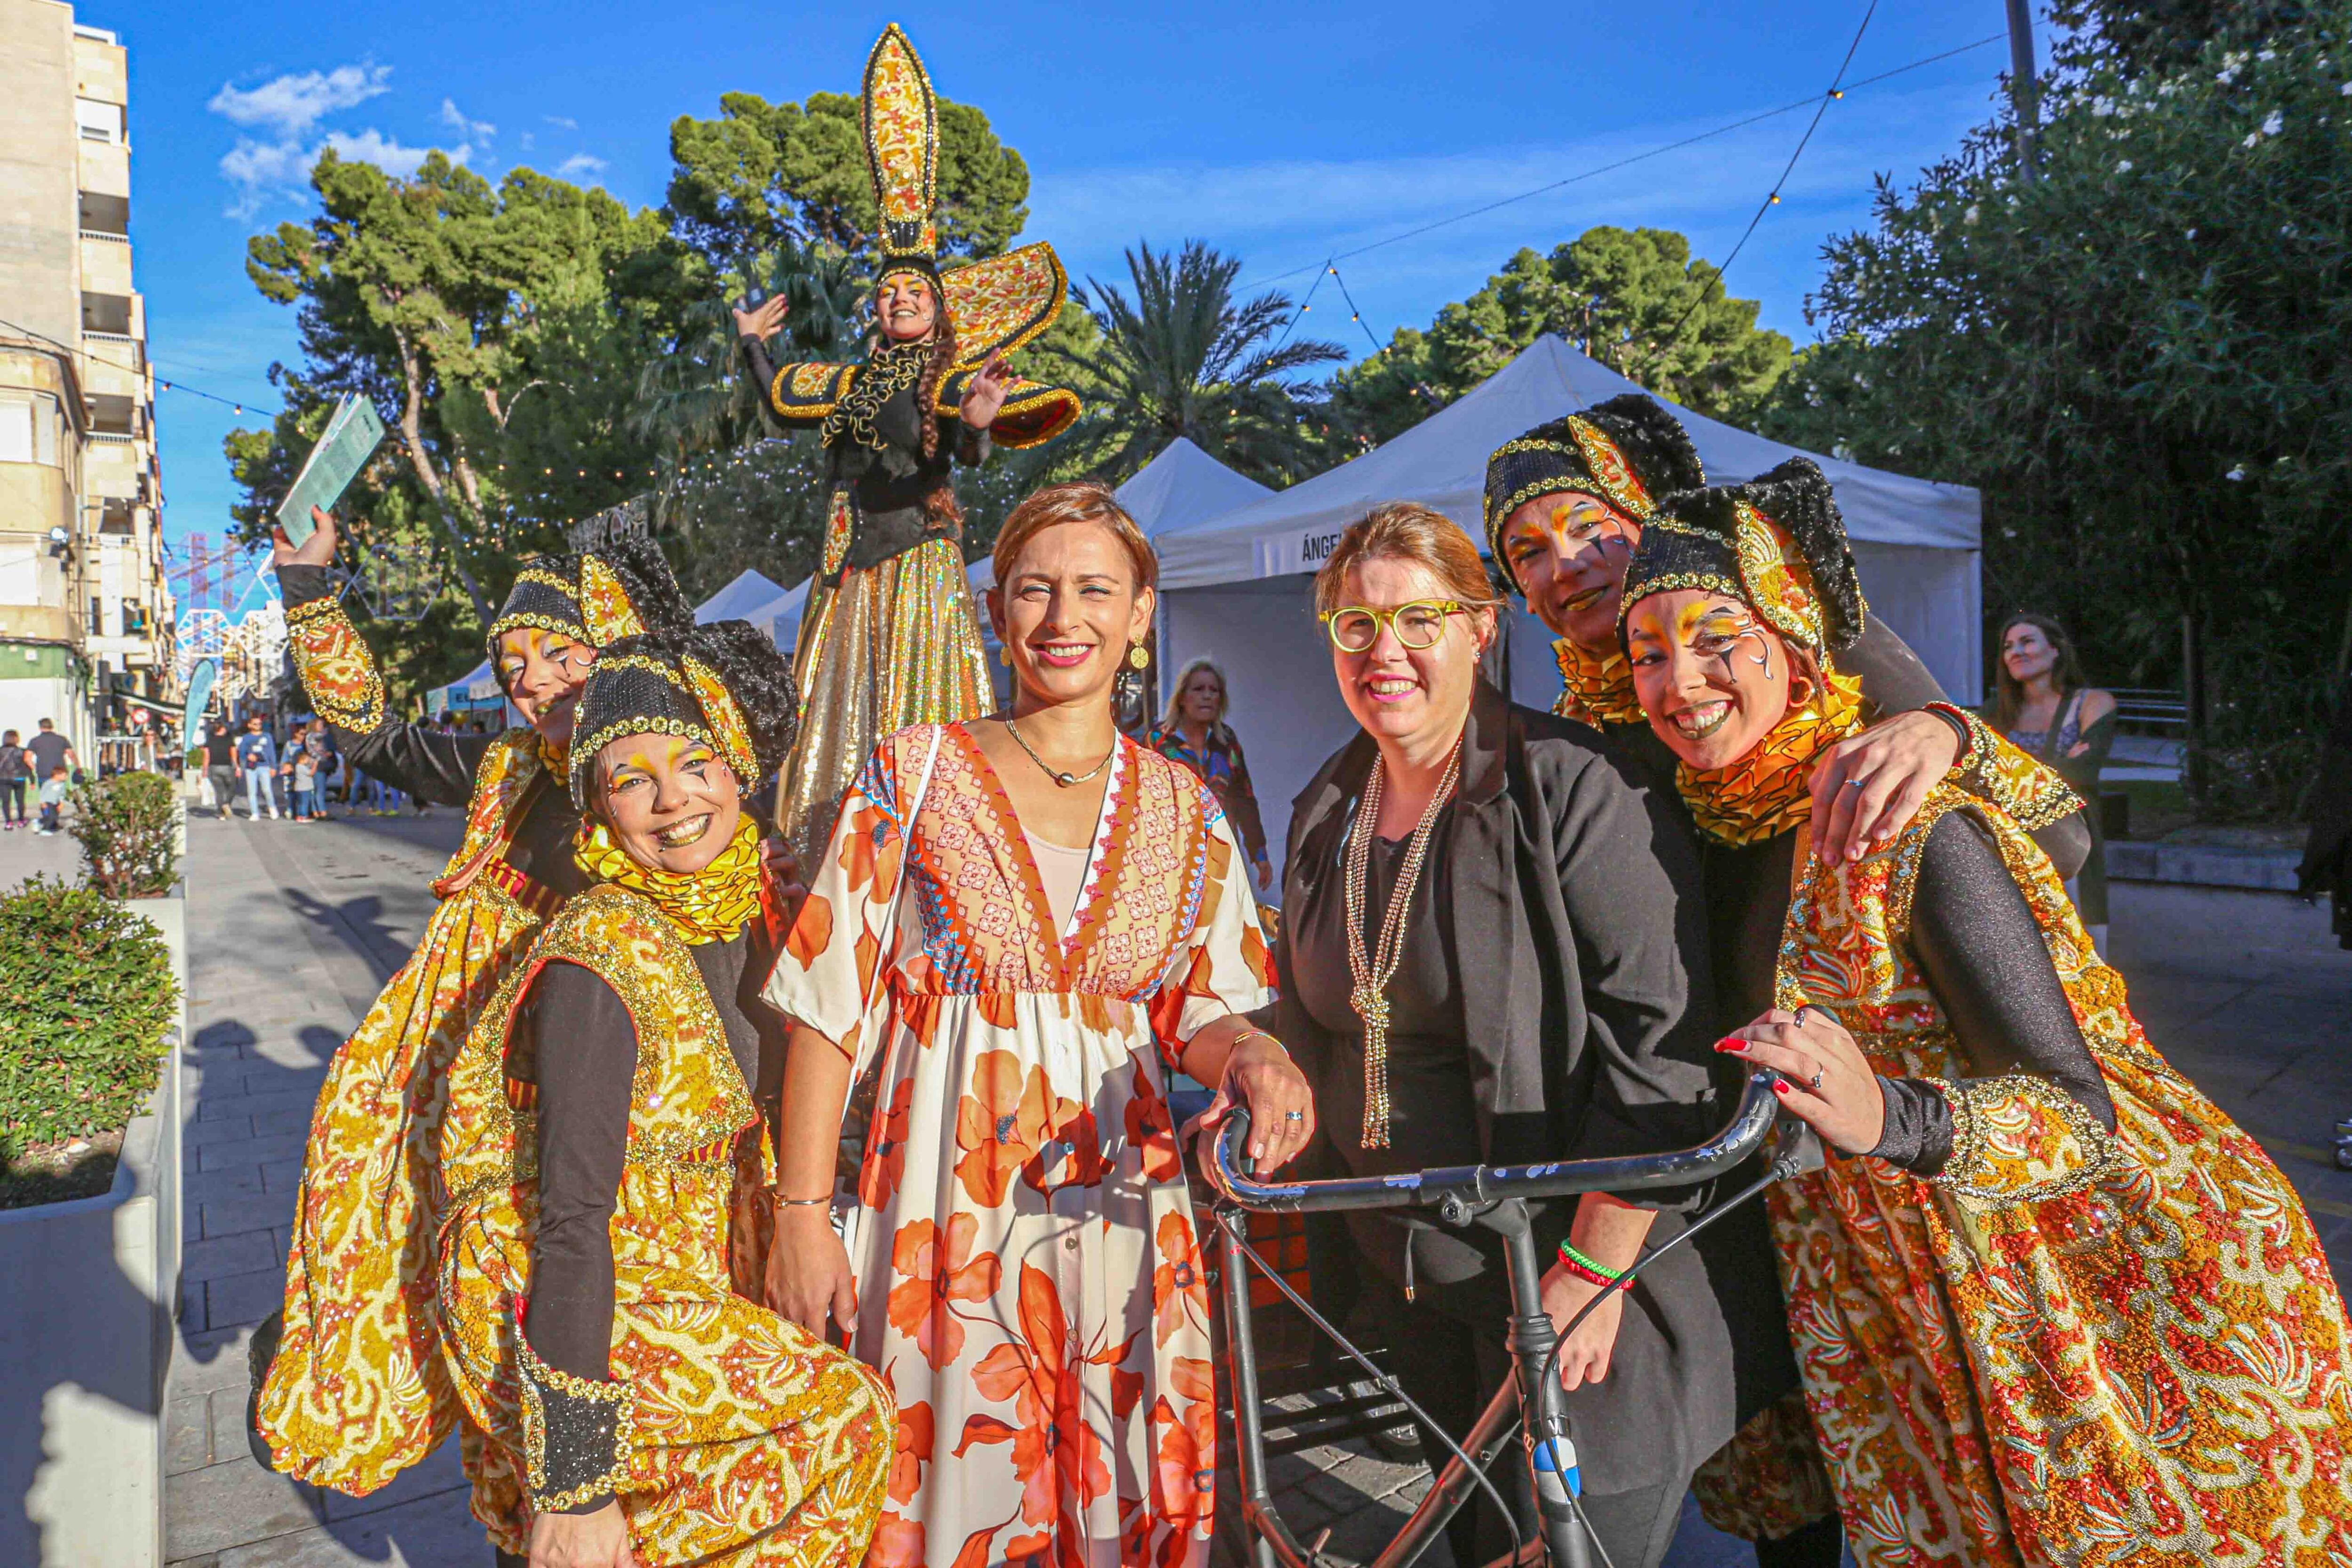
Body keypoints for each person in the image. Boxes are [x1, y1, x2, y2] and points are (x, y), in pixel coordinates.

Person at [1618, 458, 2352, 1564]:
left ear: (1797, 639)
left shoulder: (1906, 822)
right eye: (1648, 654)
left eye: (1720, 638)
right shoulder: (1704, 832)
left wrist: (1892, 1116)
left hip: (2061, 1293)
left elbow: (2077, 1108)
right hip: (1885, 1321)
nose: (1682, 680)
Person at [762, 481, 1300, 1568]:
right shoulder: (910, 772)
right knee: (957, 1484)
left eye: (1096, 590)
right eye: (1036, 590)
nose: (1065, 619)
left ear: (1142, 612)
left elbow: (1201, 1011)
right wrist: (801, 1212)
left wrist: (1252, 1048)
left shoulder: (1185, 803)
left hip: (1123, 1217)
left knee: (1116, 1489)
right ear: (997, 610)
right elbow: (824, 1004)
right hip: (940, 1218)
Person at [1264, 501, 1764, 1568]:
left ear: (1481, 628)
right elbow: (1308, 1016)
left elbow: (1666, 1047)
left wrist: (1592, 1266)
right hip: (1417, 1293)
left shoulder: (1573, 785)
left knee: (1571, 1548)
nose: (1382, 651)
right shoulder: (1325, 808)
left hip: (1581, 1299)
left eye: (1415, 619)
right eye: (1353, 627)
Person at [252, 511, 695, 1505]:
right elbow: (376, 738)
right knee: (473, 1263)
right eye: (512, 669)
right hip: (485, 1076)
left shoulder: (686, 781)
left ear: (615, 648)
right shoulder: (506, 772)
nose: (532, 682)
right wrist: (310, 591)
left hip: (621, 1092)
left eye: (556, 655)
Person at [430, 619, 890, 1568]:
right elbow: (572, 1217)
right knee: (842, 1420)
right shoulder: (599, 955)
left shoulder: (759, 898)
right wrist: (573, 1485)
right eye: (631, 778)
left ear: (737, 772)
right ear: (598, 810)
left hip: (690, 1270)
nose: (672, 799)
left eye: (693, 764)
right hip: (578, 1292)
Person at [734, 25, 1082, 870]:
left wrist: (978, 421)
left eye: (912, 290)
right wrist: (750, 342)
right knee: (837, 714)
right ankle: (829, 859)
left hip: (917, 569)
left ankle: (936, 855)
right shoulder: (849, 382)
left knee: (915, 714)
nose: (897, 297)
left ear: (938, 308)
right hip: (847, 569)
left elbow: (963, 453)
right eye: (887, 290)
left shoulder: (950, 378)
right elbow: (784, 401)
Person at [1485, 396, 2090, 876]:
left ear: (1648, 523)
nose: (1565, 565)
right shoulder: (1568, 730)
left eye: (1590, 527)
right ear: (1518, 589)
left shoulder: (1798, 641)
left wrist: (1947, 733)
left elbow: (2063, 845)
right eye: (1529, 554)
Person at [1992, 613, 2118, 940]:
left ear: (2056, 649)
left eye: (2027, 641)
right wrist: (2060, 763)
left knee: (2079, 942)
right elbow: (1972, 766)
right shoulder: (1997, 711)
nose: (2016, 651)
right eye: (2008, 646)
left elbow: (2084, 770)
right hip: (2010, 845)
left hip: (2071, 839)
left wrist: (2011, 768)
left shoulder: (2093, 703)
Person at [1148, 658, 1274, 894]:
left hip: (1222, 856)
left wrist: (1259, 854)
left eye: (1214, 690)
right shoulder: (1157, 742)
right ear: (1182, 698)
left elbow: (1244, 798)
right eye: (1198, 689)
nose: (1207, 696)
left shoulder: (1226, 741)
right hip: (1173, 860)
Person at [234, 716, 279, 820]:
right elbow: (241, 753)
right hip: (251, 768)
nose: (258, 726)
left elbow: (271, 752)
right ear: (250, 725)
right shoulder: (247, 738)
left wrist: (274, 767)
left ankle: (272, 808)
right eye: (255, 724)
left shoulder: (267, 736)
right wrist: (248, 756)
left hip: (264, 766)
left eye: (259, 724)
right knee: (252, 791)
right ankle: (255, 813)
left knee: (267, 790)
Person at [25, 716, 75, 788]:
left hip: (43, 773)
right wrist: (78, 767)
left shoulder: (35, 741)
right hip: (60, 772)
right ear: (52, 726)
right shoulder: (62, 739)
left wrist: (36, 768)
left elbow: (27, 759)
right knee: (59, 795)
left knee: (46, 795)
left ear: (40, 727)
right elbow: (71, 755)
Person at [201, 722, 237, 820]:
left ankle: (220, 813)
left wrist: (205, 770)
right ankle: (226, 804)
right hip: (227, 767)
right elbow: (234, 755)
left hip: (213, 767)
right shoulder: (229, 740)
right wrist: (237, 767)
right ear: (222, 729)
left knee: (219, 791)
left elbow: (206, 757)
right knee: (232, 788)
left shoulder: (209, 741)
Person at [0, 730, 28, 830]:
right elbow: (26, 766)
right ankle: (21, 821)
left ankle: (9, 823)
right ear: (17, 739)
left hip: (3, 779)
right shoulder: (22, 751)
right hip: (19, 778)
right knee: (20, 801)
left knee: (6, 802)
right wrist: (32, 779)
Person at [35, 764, 68, 835]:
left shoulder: (62, 784)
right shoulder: (49, 783)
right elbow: (42, 793)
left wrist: (61, 804)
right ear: (57, 775)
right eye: (64, 775)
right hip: (47, 803)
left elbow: (62, 795)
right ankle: (45, 830)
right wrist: (43, 803)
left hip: (55, 803)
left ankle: (42, 823)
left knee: (54, 816)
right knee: (51, 817)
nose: (66, 777)